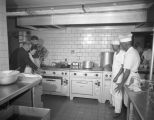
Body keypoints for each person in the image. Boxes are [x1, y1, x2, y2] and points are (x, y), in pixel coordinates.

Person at [115, 35, 141, 107]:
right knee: (130, 102)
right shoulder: (134, 51)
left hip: (131, 80)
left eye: (121, 44)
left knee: (130, 103)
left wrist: (121, 84)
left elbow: (127, 71)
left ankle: (129, 117)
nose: (121, 46)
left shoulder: (130, 54)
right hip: (133, 78)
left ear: (125, 44)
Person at [110, 40, 125, 118]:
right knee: (113, 90)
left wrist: (117, 76)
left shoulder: (122, 53)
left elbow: (123, 67)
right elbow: (116, 64)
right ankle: (114, 105)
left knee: (118, 93)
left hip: (118, 77)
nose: (112, 47)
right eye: (112, 46)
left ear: (118, 46)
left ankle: (118, 111)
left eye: (113, 46)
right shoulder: (115, 53)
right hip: (114, 75)